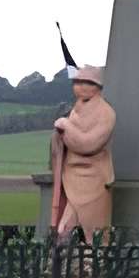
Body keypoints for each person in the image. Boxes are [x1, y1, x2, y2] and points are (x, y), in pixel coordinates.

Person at [49, 66, 115, 237]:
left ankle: (91, 262)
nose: (81, 87)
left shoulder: (106, 113)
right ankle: (63, 261)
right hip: (72, 176)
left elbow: (89, 144)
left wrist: (66, 126)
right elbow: (65, 141)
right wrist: (58, 136)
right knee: (64, 228)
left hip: (93, 178)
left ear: (98, 86)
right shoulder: (76, 110)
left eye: (88, 83)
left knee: (94, 230)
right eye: (77, 82)